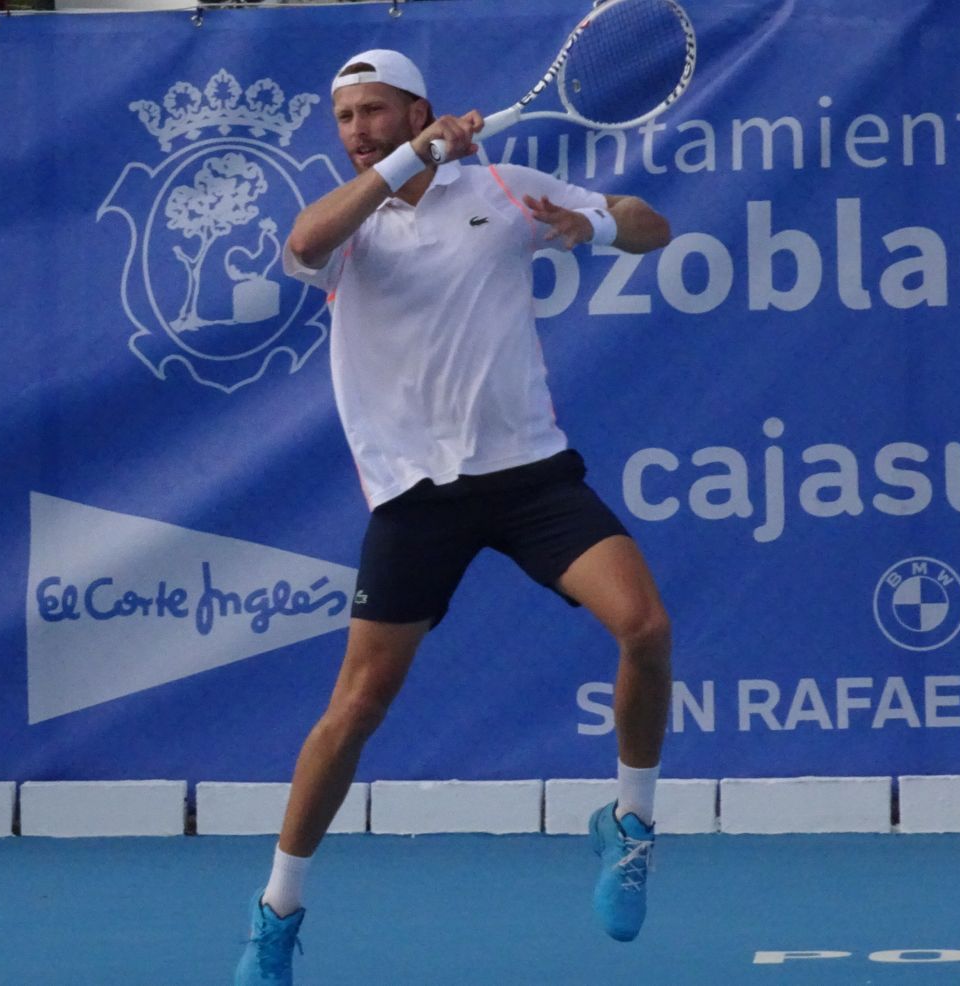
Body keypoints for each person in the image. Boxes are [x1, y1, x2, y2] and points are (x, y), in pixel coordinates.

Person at [234, 50, 674, 984]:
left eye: (374, 112)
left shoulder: (505, 188)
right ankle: (276, 911)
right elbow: (306, 241)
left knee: (645, 627)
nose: (356, 130)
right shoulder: (349, 226)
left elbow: (652, 226)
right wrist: (404, 163)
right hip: (414, 494)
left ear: (417, 107)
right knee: (354, 711)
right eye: (344, 117)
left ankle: (630, 823)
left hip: (528, 475)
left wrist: (590, 224)